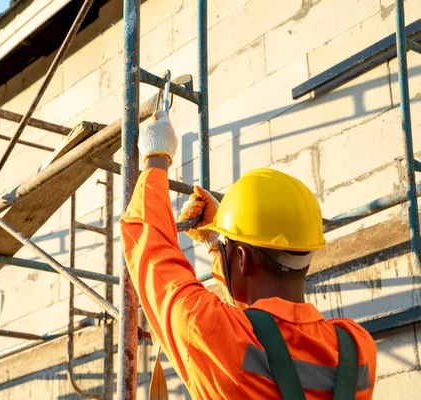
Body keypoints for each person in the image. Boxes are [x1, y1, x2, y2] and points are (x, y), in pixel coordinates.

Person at [120, 111, 377, 399]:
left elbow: (149, 247)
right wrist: (221, 244)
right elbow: (263, 332)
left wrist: (155, 158)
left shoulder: (209, 330)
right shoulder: (357, 346)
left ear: (242, 259)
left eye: (230, 250)